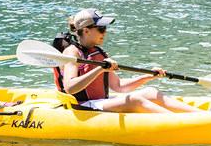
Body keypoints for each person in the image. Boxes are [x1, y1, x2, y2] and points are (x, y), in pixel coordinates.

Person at [51, 9, 197, 113]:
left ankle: (200, 116)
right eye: (101, 28)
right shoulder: (72, 52)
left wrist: (148, 76)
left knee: (151, 92)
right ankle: (181, 123)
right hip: (83, 106)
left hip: (99, 102)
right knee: (134, 100)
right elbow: (70, 87)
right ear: (86, 30)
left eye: (105, 28)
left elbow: (119, 86)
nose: (105, 32)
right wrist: (100, 69)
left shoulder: (98, 53)